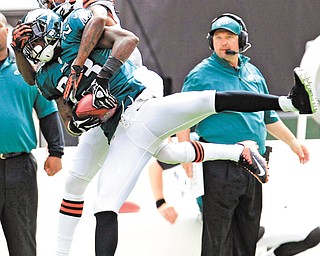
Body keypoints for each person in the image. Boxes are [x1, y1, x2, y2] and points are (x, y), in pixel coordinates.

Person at [13, 8, 317, 256]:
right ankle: (239, 150)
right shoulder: (48, 75)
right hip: (119, 129)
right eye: (27, 47)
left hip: (142, 101)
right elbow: (67, 117)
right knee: (149, 166)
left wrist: (96, 77)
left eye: (34, 42)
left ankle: (290, 102)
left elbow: (122, 36)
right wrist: (81, 119)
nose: (34, 50)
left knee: (207, 102)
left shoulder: (76, 28)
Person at [177, 13, 315, 256]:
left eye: (229, 37)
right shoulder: (200, 75)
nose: (223, 42)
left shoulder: (253, 73)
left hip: (254, 164)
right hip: (219, 165)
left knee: (248, 232)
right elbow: (182, 116)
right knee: (218, 237)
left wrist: (293, 142)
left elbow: (268, 117)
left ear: (241, 40)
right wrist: (185, 153)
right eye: (218, 37)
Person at [0, 12, 65, 256]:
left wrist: (56, 151)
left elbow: (47, 110)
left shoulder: (25, 70)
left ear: (6, 30)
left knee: (23, 244)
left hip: (20, 166)